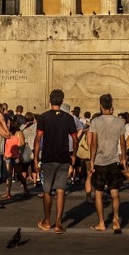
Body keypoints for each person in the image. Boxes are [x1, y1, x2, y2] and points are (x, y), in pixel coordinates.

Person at [35, 89, 77, 234]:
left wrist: (35, 158)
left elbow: (38, 138)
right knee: (61, 190)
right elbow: (75, 137)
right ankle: (58, 224)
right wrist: (74, 155)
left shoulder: (43, 117)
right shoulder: (68, 118)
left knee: (47, 191)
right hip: (63, 157)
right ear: (62, 101)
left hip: (48, 158)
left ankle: (47, 221)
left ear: (50, 100)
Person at [85, 93, 126, 232]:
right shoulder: (120, 122)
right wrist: (124, 158)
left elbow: (94, 143)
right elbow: (123, 142)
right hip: (114, 160)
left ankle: (101, 223)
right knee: (114, 192)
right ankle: (116, 219)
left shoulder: (96, 122)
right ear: (111, 106)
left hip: (100, 161)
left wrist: (91, 160)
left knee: (99, 192)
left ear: (101, 106)